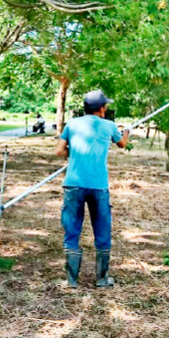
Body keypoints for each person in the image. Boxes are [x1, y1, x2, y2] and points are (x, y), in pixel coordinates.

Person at [55, 90, 130, 288]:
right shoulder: (109, 126)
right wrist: (127, 131)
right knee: (102, 230)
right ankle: (102, 279)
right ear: (102, 109)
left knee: (72, 230)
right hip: (98, 186)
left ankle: (71, 280)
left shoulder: (72, 124)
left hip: (73, 184)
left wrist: (75, 155)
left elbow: (59, 151)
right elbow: (121, 143)